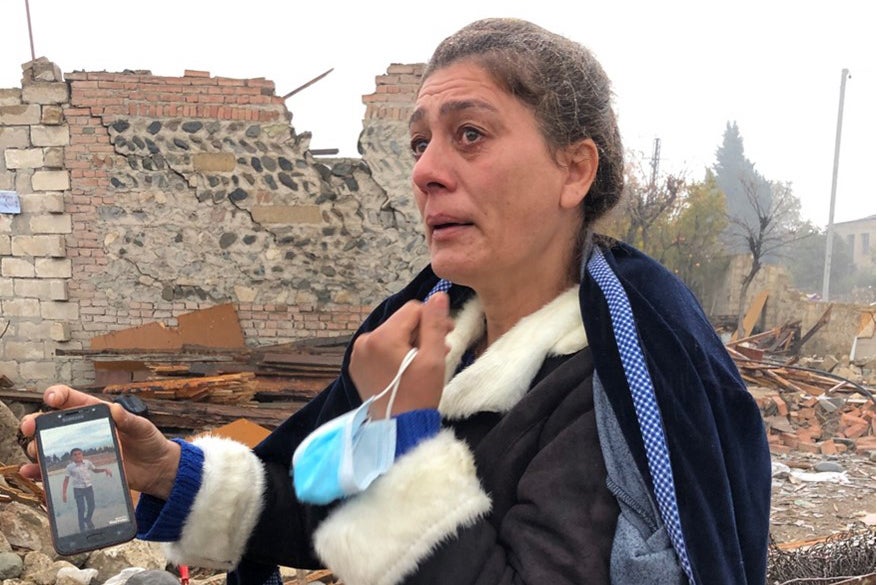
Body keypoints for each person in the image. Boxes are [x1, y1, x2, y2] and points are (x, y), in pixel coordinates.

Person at [21, 17, 771, 585]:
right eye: (419, 144)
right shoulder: (419, 331)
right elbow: (318, 506)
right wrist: (165, 469)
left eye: (468, 135)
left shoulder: (619, 381)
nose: (426, 172)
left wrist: (402, 432)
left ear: (572, 170)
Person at [61, 447, 113, 532]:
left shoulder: (87, 463)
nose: (78, 456)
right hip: (78, 490)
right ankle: (82, 528)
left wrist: (105, 469)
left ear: (82, 454)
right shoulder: (69, 467)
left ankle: (88, 519)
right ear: (72, 457)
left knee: (92, 506)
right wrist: (64, 493)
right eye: (75, 455)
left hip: (88, 487)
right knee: (81, 508)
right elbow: (66, 480)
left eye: (79, 454)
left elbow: (95, 470)